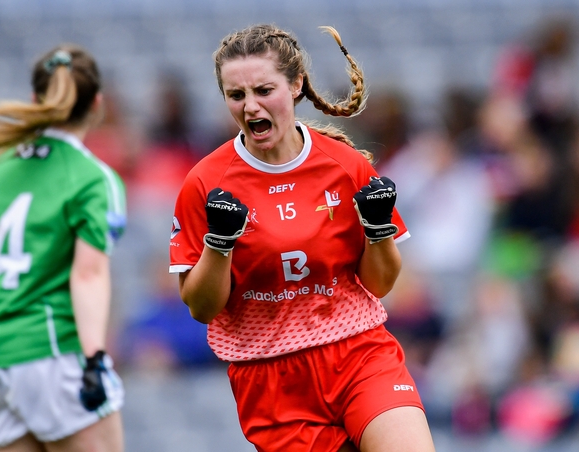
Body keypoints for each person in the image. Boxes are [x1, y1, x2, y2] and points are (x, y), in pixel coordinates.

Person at [169, 24, 436, 452]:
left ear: (295, 86)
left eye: (263, 90)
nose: (250, 106)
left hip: (359, 353)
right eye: (236, 96)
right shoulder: (205, 183)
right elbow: (202, 308)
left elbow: (381, 284)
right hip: (272, 379)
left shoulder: (344, 165)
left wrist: (378, 230)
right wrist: (219, 245)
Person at [0, 44, 126, 452]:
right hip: (51, 354)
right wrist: (94, 357)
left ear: (35, 100)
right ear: (96, 105)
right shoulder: (92, 178)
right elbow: (88, 274)